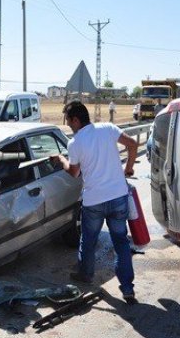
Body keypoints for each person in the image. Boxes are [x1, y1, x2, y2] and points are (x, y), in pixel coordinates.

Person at [51, 100, 139, 304]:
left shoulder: (75, 143)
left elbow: (74, 172)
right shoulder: (107, 128)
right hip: (118, 197)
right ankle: (127, 289)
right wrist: (129, 169)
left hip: (94, 202)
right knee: (121, 243)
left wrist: (61, 160)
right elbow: (133, 145)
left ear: (75, 119)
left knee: (88, 241)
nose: (68, 126)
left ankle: (85, 275)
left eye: (68, 121)